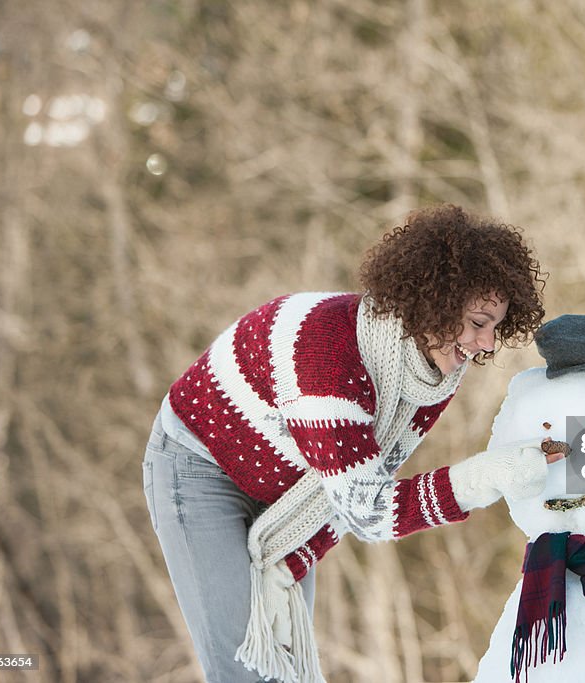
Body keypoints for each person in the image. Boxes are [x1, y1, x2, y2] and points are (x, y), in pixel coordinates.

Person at [141, 204, 555, 683]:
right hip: (200, 466)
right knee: (245, 667)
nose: (486, 343)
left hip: (288, 492)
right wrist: (489, 476)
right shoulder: (326, 358)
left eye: (495, 328)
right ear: (435, 304)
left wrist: (290, 560)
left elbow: (357, 488)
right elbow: (370, 509)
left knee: (288, 663)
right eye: (478, 321)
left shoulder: (429, 376)